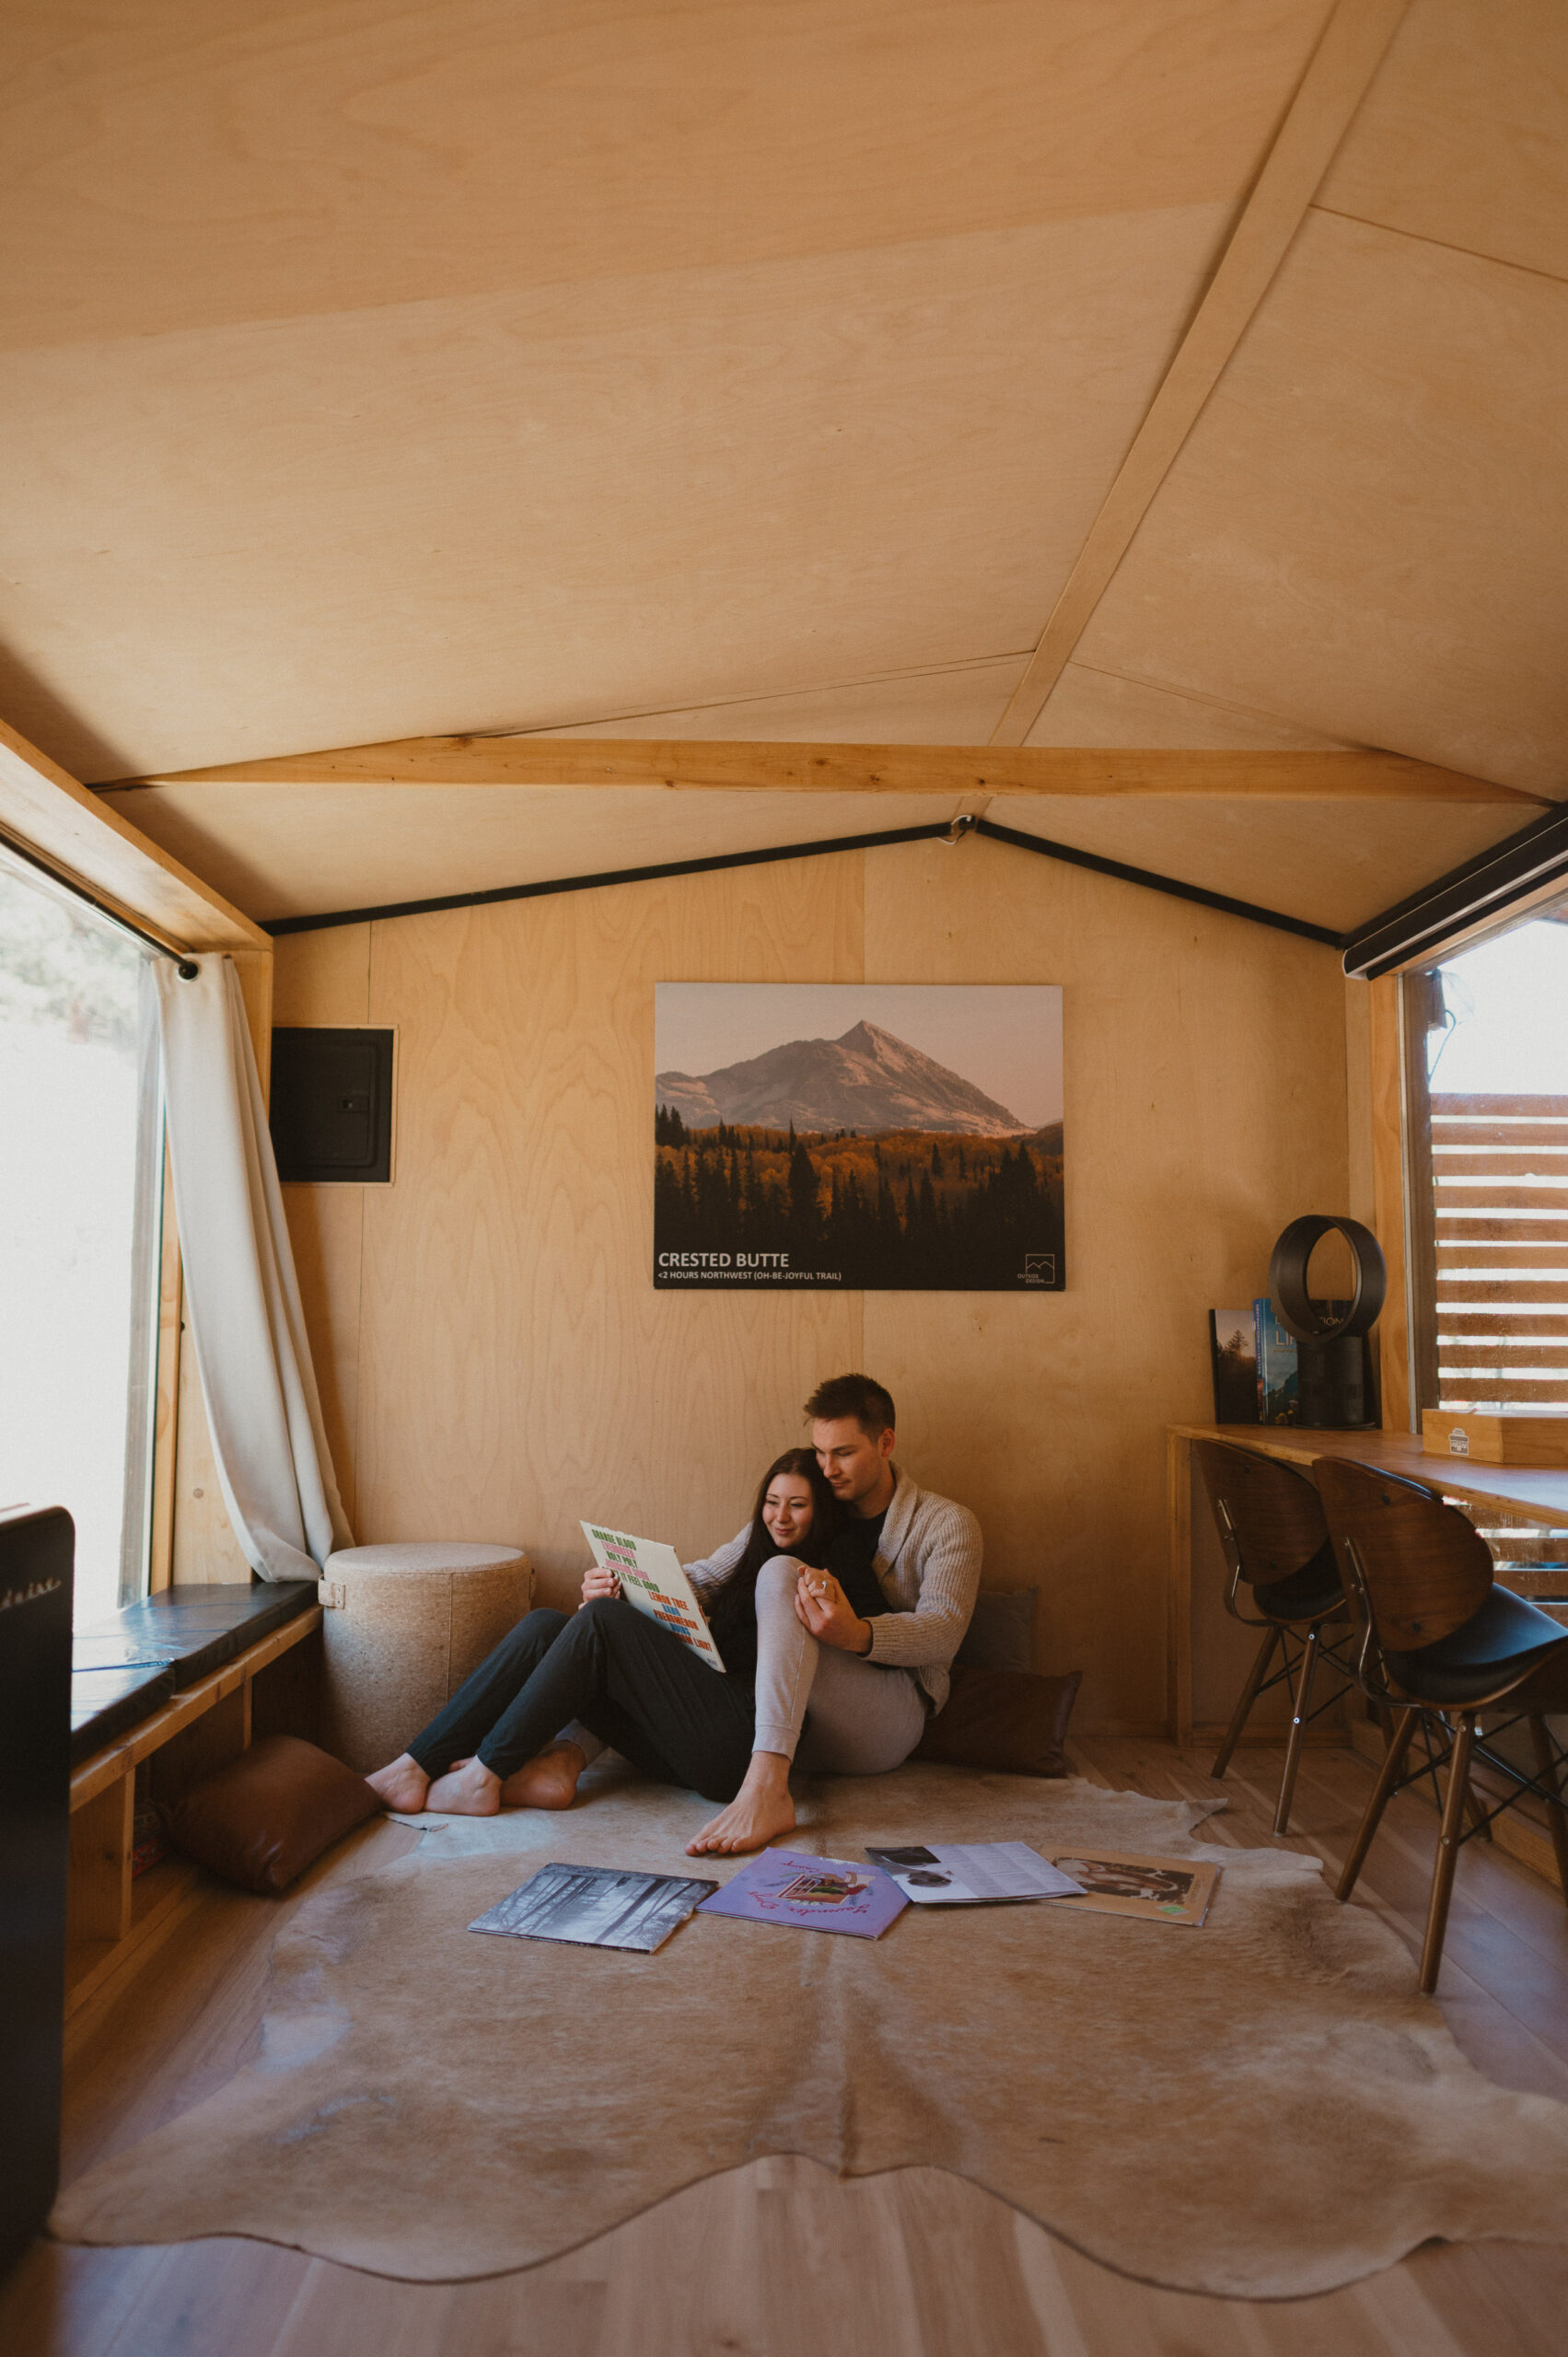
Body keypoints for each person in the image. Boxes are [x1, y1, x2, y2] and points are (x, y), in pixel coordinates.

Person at [364, 1448, 840, 1826]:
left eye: (797, 1505)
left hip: (740, 1748)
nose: (780, 1517)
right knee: (546, 1625)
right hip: (691, 1740)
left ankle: (484, 1775)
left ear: (820, 1513)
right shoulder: (749, 1555)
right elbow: (697, 1581)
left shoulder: (824, 1575)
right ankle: (417, 1763)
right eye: (772, 1503)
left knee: (601, 1622)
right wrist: (622, 1584)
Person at [682, 1372, 981, 1854]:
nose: (827, 1468)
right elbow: (710, 1577)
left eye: (843, 1453)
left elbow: (944, 1631)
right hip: (800, 1716)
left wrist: (859, 1634)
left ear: (885, 1442)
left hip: (889, 1715)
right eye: (820, 1452)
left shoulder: (947, 1523)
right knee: (642, 1619)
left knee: (782, 1573)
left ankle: (766, 1788)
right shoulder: (805, 1501)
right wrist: (625, 1578)